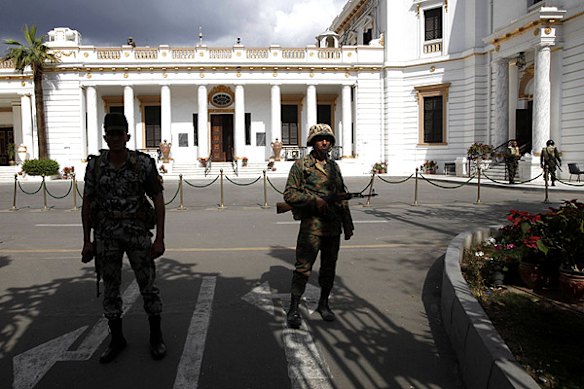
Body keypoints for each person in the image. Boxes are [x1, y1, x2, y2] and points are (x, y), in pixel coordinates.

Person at [81, 112, 167, 363]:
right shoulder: (95, 166)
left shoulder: (143, 164)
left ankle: (156, 337)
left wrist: (160, 238)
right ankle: (117, 339)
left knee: (148, 287)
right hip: (106, 236)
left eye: (120, 133)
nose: (115, 138)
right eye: (111, 134)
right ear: (105, 136)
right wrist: (87, 240)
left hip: (137, 234)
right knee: (110, 289)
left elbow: (158, 199)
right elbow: (87, 203)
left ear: (127, 136)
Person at [283, 123, 354, 329]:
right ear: (312, 142)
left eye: (328, 139)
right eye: (320, 138)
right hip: (311, 227)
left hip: (333, 228)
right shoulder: (302, 165)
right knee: (303, 268)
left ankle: (324, 304)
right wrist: (315, 201)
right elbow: (289, 194)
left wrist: (348, 225)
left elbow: (341, 197)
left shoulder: (334, 167)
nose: (325, 142)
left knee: (329, 268)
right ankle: (294, 307)